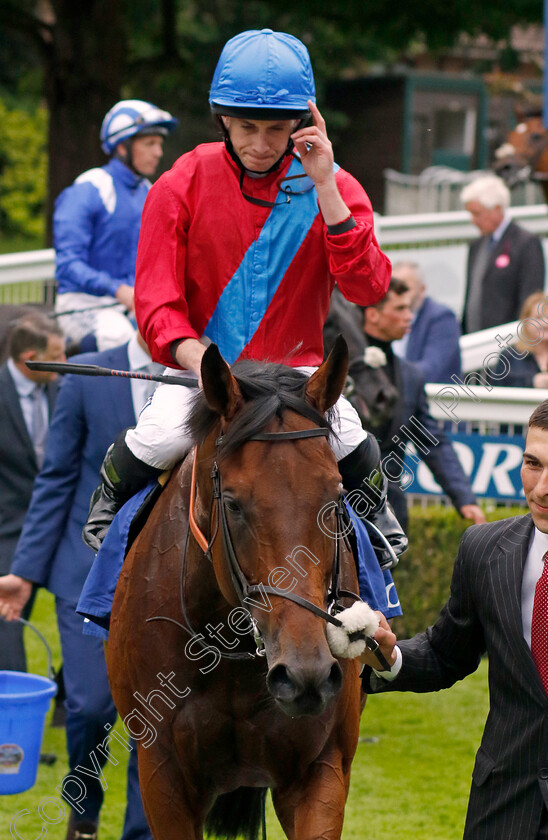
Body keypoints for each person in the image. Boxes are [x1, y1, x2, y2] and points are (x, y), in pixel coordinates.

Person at [82, 29, 405, 567]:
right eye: (247, 127)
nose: (260, 143)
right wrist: (199, 359)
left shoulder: (335, 184)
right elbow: (156, 303)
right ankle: (110, 519)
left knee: (354, 446)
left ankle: (374, 593)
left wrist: (325, 186)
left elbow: (368, 288)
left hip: (297, 374)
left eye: (276, 129)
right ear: (223, 120)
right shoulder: (179, 182)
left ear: (302, 123)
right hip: (207, 369)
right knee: (158, 439)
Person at [364, 391, 548, 840]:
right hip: (503, 814)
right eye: (532, 463)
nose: (541, 485)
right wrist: (390, 657)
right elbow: (447, 654)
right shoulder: (484, 550)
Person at [0, 333, 154, 840]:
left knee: (154, 712)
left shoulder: (199, 374)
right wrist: (24, 572)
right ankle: (83, 814)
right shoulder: (86, 375)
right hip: (83, 567)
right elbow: (57, 477)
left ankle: (143, 829)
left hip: (164, 575)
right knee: (89, 705)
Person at [361, 277, 485, 535]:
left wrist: (464, 498)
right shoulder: (341, 365)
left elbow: (431, 441)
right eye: (400, 309)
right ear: (372, 315)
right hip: (337, 510)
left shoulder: (411, 376)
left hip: (389, 515)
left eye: (410, 308)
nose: (409, 316)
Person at [53, 99, 177, 352]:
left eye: (160, 144)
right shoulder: (90, 188)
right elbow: (68, 265)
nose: (158, 152)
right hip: (82, 302)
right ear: (122, 146)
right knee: (119, 339)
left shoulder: (149, 191)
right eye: (149, 143)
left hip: (132, 304)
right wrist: (117, 289)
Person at [0, 313, 64, 671]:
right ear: (29, 357)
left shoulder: (64, 388)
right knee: (5, 627)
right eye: (57, 355)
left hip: (60, 524)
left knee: (92, 612)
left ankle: (71, 699)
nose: (66, 364)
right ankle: (14, 704)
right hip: (7, 527)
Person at [460, 173, 544, 334]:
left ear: (497, 209)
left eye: (477, 213)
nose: (472, 220)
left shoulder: (526, 244)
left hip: (506, 344)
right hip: (474, 340)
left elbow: (530, 299)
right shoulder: (476, 246)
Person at [390, 260, 462, 384]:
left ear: (422, 289)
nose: (398, 296)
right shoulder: (386, 316)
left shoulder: (442, 318)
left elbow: (430, 371)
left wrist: (386, 373)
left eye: (404, 288)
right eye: (393, 289)